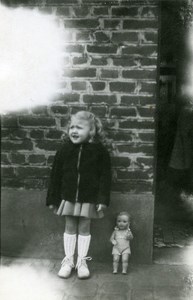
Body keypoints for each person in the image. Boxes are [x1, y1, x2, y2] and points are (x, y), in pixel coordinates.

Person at [46, 111, 111, 279]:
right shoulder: (64, 150)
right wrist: (52, 198)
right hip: (68, 196)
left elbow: (105, 177)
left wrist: (103, 199)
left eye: (79, 128)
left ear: (91, 131)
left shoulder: (99, 151)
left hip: (88, 198)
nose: (74, 131)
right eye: (71, 127)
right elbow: (55, 175)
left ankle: (81, 261)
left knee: (84, 227)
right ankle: (68, 261)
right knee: (69, 227)